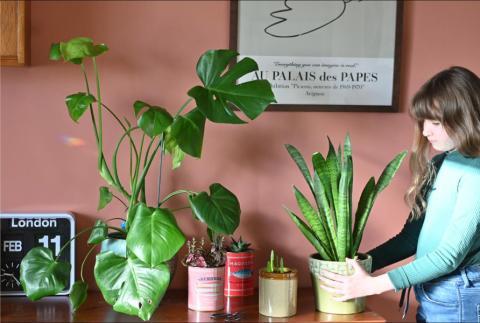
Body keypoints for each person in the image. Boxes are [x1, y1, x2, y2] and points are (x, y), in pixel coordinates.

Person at [319, 66, 480, 322]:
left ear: (466, 118)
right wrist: (362, 263)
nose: (426, 131)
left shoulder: (476, 174)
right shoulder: (442, 164)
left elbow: (449, 257)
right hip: (434, 289)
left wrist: (372, 285)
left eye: (435, 122)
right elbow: (410, 238)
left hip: (459, 293)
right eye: (423, 121)